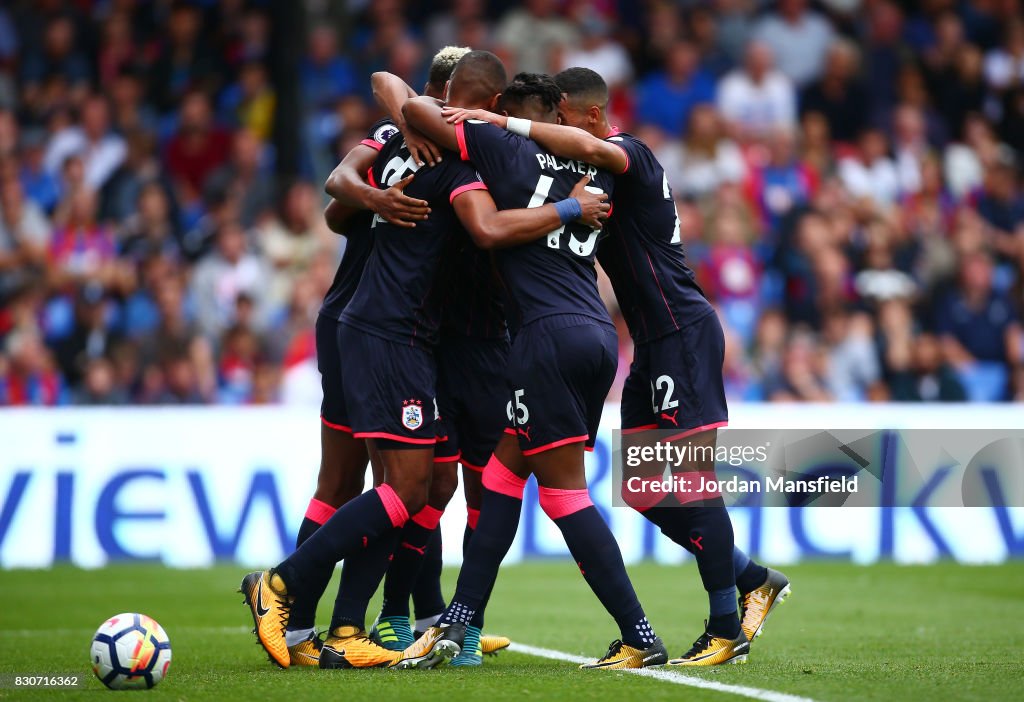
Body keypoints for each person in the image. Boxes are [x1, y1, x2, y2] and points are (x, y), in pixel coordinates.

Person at [240, 51, 608, 670]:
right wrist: (568, 209)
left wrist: (381, 181)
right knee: (392, 484)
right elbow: (483, 229)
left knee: (422, 482)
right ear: (486, 106)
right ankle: (285, 589)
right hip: (392, 333)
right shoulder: (457, 154)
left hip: (401, 332)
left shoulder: (408, 138)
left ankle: (377, 622)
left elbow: (346, 186)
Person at [442, 67, 791, 665]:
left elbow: (578, 147)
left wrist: (500, 121)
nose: (555, 134)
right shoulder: (584, 181)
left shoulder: (629, 154)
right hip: (647, 344)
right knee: (644, 490)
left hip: (681, 331)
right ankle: (751, 575)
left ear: (593, 118)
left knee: (689, 479)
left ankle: (725, 624)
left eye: (565, 121)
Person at [399, 59, 666, 671]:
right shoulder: (596, 164)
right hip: (596, 335)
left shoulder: (501, 146)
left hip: (544, 337)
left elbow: (414, 109)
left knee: (564, 495)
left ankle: (639, 634)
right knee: (500, 478)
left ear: (515, 116)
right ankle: (457, 626)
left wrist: (477, 117)